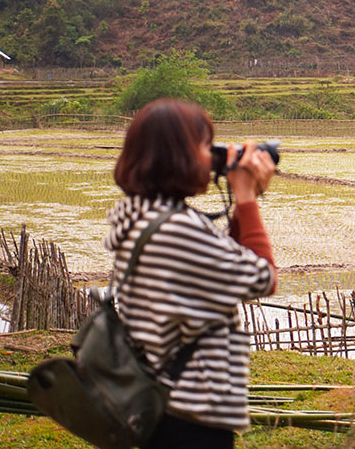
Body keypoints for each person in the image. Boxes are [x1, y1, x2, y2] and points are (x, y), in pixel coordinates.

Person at [104, 98, 277, 448]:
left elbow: (222, 264)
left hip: (158, 399)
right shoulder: (177, 229)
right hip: (191, 413)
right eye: (203, 145)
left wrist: (240, 196)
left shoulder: (140, 217)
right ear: (176, 157)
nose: (212, 155)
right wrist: (245, 196)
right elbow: (262, 278)